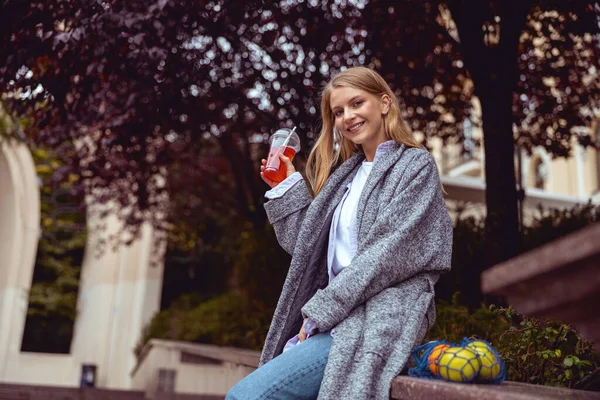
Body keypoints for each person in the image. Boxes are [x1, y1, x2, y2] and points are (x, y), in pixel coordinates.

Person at [226, 66, 453, 400]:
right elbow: (307, 250)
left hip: (376, 318)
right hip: (336, 318)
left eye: (357, 103)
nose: (348, 116)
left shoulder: (415, 166)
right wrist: (286, 186)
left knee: (247, 397)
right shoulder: (345, 176)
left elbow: (385, 254)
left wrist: (320, 310)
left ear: (384, 103)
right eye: (338, 111)